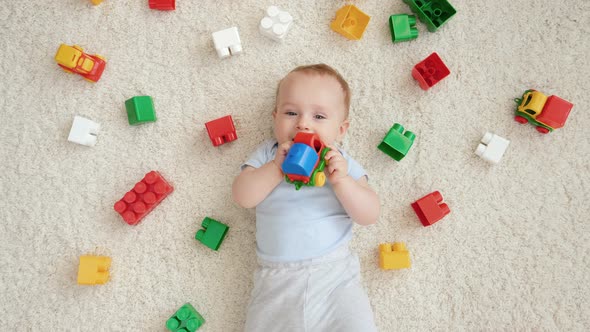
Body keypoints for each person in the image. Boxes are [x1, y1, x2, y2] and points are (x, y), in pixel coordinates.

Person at [232, 64, 380, 332]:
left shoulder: (341, 163)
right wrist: (276, 168)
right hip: (277, 280)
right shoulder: (269, 154)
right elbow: (243, 196)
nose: (303, 123)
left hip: (334, 275)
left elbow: (369, 214)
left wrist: (342, 182)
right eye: (291, 113)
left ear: (341, 129)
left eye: (319, 116)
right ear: (275, 117)